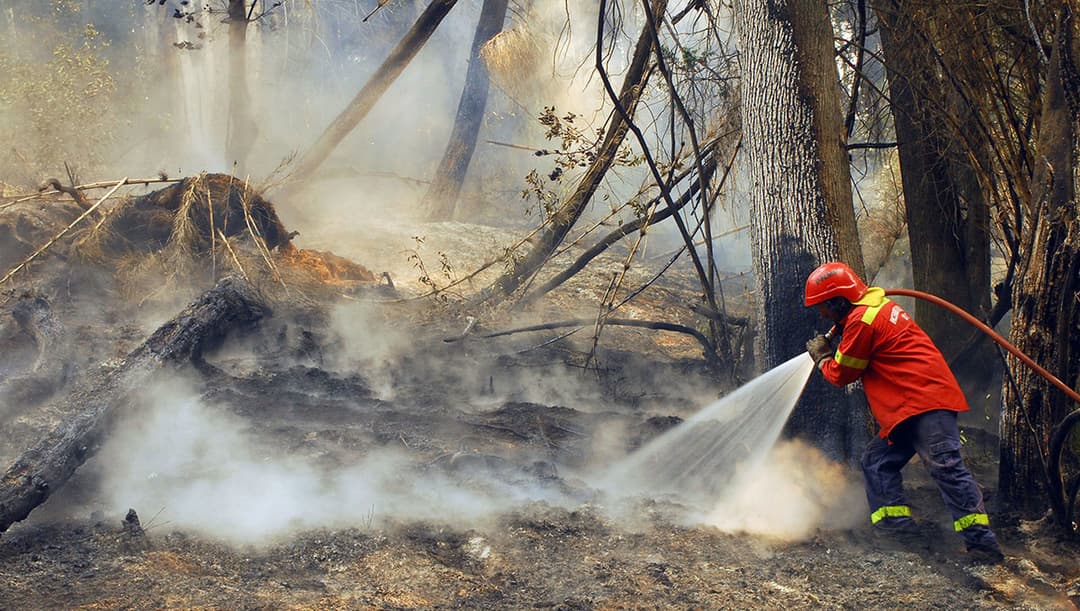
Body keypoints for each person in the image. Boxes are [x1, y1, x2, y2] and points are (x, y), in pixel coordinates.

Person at [803, 261, 1005, 565]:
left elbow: (842, 373)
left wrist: (822, 357)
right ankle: (899, 533)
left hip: (925, 403)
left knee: (946, 468)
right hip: (909, 408)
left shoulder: (863, 319)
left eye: (823, 307)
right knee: (877, 461)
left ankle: (984, 547)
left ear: (838, 301)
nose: (821, 314)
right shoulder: (873, 309)